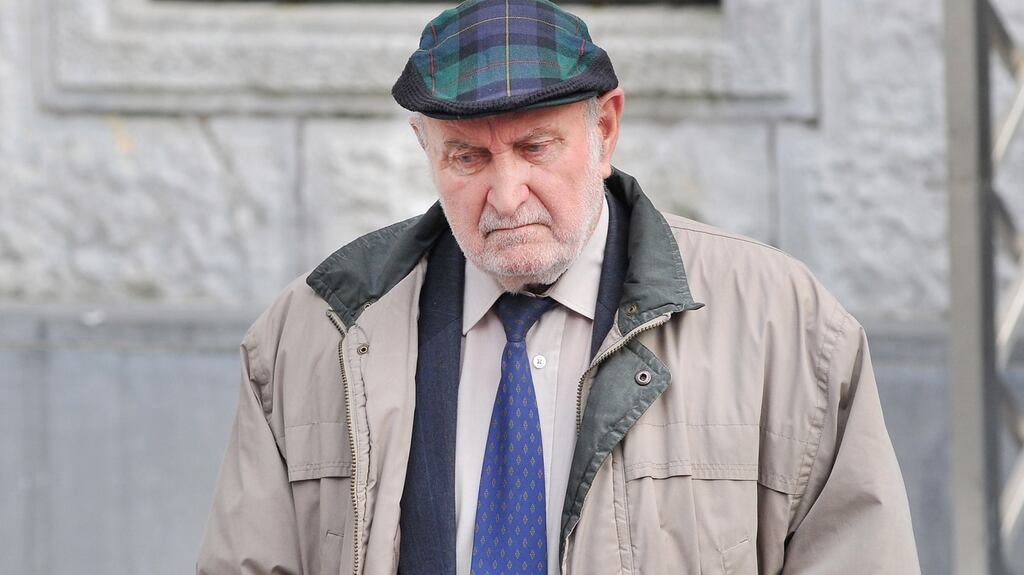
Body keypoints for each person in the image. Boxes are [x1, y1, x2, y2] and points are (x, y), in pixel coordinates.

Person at [197, 0, 921, 573]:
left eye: (534, 147)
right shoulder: (310, 335)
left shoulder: (785, 327)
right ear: (425, 147)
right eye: (467, 157)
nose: (506, 195)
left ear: (605, 128)